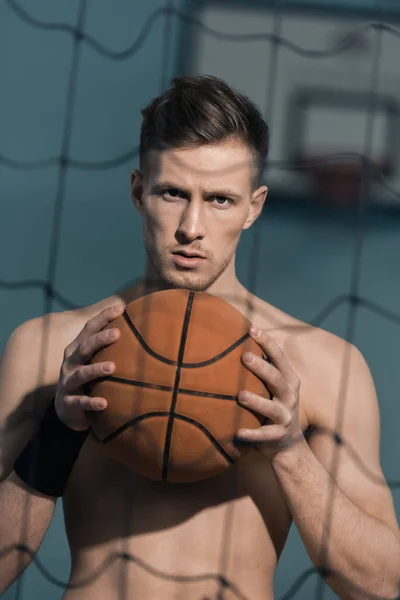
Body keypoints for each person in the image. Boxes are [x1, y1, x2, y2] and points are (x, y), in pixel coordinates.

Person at [0, 75, 399, 600]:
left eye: (219, 200)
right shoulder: (50, 348)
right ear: (139, 191)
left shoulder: (322, 365)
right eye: (173, 193)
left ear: (253, 207)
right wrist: (56, 435)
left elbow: (382, 585)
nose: (192, 226)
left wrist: (290, 452)